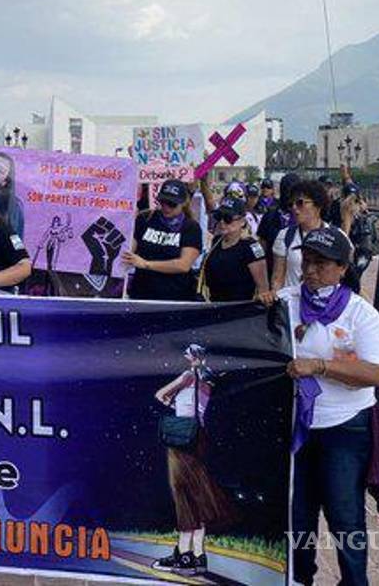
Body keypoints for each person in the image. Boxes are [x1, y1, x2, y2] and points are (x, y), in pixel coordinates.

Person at [276, 227, 379, 586]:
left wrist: (320, 366)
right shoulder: (285, 301)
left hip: (345, 428)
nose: (310, 270)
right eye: (306, 261)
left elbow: (376, 373)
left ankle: (355, 582)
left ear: (342, 268)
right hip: (296, 426)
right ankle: (299, 578)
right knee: (298, 512)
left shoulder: (361, 314)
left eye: (321, 264)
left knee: (344, 515)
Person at [151, 344, 235, 578]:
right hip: (199, 438)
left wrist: (174, 405)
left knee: (183, 496)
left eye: (188, 354)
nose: (185, 357)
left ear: (194, 357)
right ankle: (195, 555)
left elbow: (159, 394)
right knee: (196, 496)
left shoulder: (188, 376)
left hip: (182, 439)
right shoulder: (210, 380)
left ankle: (185, 556)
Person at [121, 179, 202, 301]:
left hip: (177, 296)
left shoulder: (191, 227)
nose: (166, 207)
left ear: (183, 203)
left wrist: (146, 264)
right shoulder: (145, 218)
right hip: (142, 293)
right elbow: (128, 251)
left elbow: (184, 265)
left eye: (172, 204)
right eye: (163, 202)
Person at [197, 197, 268, 302]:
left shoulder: (251, 247)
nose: (222, 222)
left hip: (240, 310)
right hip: (215, 305)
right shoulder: (216, 241)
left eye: (227, 218)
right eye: (219, 217)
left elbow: (263, 289)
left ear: (242, 221)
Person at [271, 179, 333, 293]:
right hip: (293, 305)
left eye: (300, 203)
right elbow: (277, 278)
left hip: (325, 306)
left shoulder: (336, 236)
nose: (294, 208)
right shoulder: (285, 236)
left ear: (318, 205)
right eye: (291, 204)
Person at [257, 172, 299, 283]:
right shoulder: (270, 215)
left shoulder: (304, 215)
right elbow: (262, 248)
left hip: (298, 277)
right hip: (274, 276)